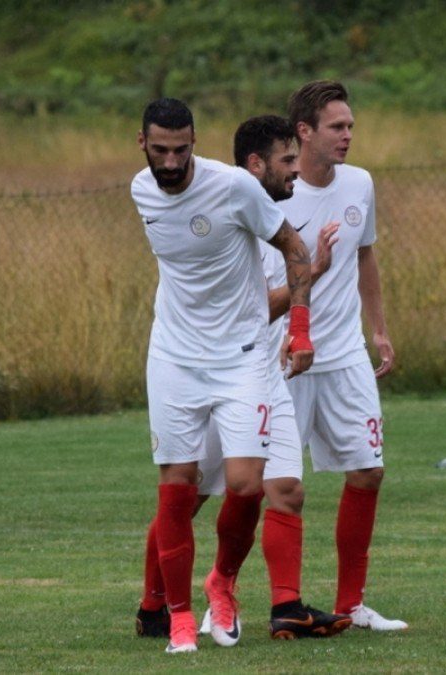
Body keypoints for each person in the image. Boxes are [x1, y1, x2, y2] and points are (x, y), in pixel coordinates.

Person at [130, 98, 314, 654]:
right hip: (174, 359)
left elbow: (295, 248)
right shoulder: (140, 190)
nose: (170, 162)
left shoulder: (234, 186)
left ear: (195, 143)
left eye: (181, 150)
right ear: (142, 144)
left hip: (240, 359)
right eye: (160, 150)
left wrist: (300, 329)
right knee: (177, 486)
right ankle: (180, 619)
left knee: (246, 485)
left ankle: (222, 582)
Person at [194, 114, 350, 640]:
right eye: (287, 161)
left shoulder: (275, 219)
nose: (295, 171)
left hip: (265, 374)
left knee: (285, 488)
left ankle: (286, 607)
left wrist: (295, 324)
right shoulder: (232, 224)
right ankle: (156, 605)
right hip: (221, 377)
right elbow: (254, 307)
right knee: (187, 495)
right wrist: (314, 273)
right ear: (255, 165)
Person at [279, 80, 407, 631]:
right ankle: (224, 596)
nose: (348, 135)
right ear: (305, 132)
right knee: (258, 485)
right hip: (286, 360)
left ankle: (352, 604)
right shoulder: (274, 192)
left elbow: (366, 256)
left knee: (368, 471)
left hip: (346, 356)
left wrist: (378, 329)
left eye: (350, 125)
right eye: (337, 126)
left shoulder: (360, 183)